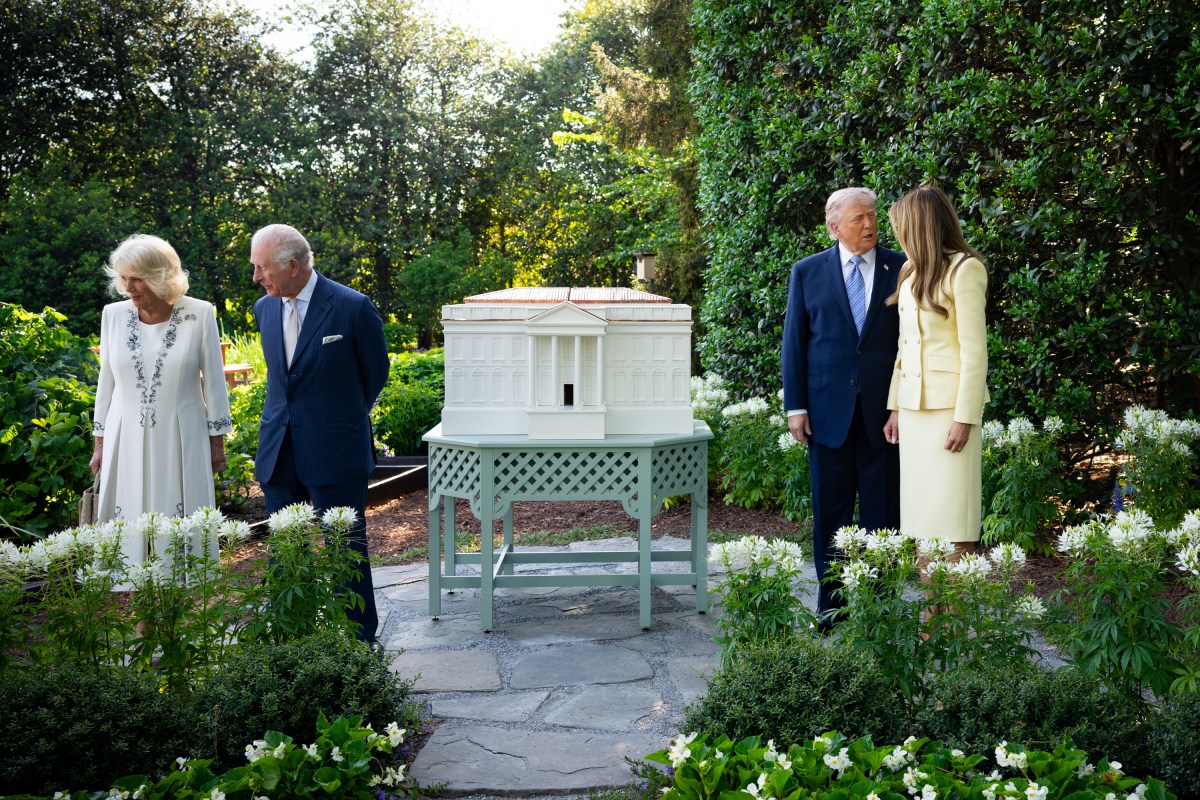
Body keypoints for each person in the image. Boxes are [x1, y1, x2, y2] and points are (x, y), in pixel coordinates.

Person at [251, 224, 389, 646]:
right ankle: (291, 640)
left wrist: (336, 419)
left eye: (261, 268)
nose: (256, 277)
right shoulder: (264, 308)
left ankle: (358, 644)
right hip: (279, 450)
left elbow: (375, 374)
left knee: (343, 550)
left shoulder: (351, 307)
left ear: (292, 266)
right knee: (285, 551)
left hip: (335, 450)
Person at [782, 187, 905, 628]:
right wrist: (795, 405)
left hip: (883, 415)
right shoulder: (807, 272)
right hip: (825, 413)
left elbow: (911, 344)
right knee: (831, 512)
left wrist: (900, 405)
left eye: (872, 216)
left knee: (882, 513)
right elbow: (794, 343)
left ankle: (880, 606)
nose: (869, 225)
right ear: (834, 227)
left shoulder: (901, 269)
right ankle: (831, 606)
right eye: (858, 219)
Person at [90, 234, 231, 572]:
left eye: (136, 278)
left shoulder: (199, 313)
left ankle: (176, 617)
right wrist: (99, 444)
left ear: (160, 276)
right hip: (125, 438)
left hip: (182, 438)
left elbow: (214, 382)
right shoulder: (112, 315)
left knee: (180, 542)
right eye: (124, 278)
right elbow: (105, 383)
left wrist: (217, 443)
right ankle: (143, 622)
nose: (128, 286)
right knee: (129, 540)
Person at [882, 185, 988, 554]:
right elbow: (904, 347)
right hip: (913, 414)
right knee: (922, 526)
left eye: (902, 226)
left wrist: (965, 417)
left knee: (952, 521)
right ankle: (931, 613)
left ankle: (955, 613)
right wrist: (895, 406)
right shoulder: (908, 272)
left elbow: (975, 353)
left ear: (920, 226)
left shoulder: (966, 269)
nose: (898, 235)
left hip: (949, 412)